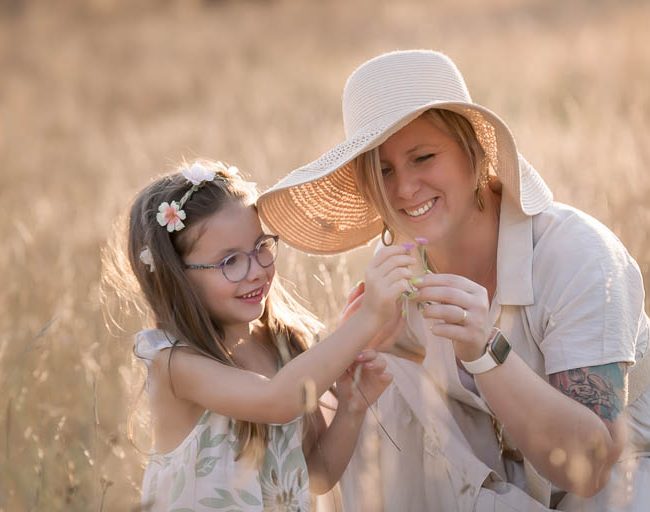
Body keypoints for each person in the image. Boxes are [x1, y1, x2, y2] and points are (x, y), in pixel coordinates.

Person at [257, 50, 650, 510]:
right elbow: (317, 471)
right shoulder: (396, 270)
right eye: (383, 171)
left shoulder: (576, 254)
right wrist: (354, 350)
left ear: (475, 154)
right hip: (513, 480)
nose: (404, 189)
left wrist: (486, 351)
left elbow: (592, 467)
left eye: (423, 157)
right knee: (386, 375)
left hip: (625, 477)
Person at [105, 159, 417, 511]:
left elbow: (315, 475)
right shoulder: (175, 362)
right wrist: (369, 318)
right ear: (177, 276)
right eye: (230, 262)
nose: (255, 271)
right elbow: (277, 402)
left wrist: (352, 407)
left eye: (261, 247)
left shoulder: (285, 344)